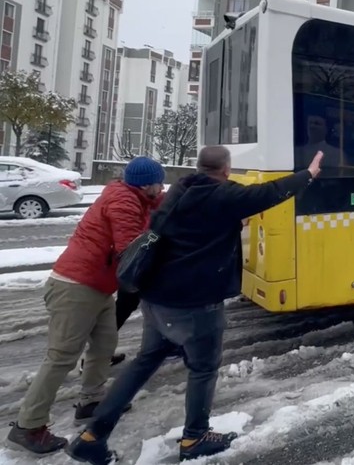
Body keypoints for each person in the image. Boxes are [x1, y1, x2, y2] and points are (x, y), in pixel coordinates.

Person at [66, 146, 323, 464]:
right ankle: (195, 437)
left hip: (157, 297)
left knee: (144, 362)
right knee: (203, 369)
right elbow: (269, 193)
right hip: (194, 302)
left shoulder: (181, 190)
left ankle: (93, 436)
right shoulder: (223, 195)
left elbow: (198, 224)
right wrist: (308, 174)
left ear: (199, 167)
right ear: (226, 170)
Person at [6, 157, 166, 456]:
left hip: (98, 287)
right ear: (147, 184)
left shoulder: (136, 198)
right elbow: (132, 249)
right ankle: (27, 426)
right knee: (62, 357)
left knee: (104, 345)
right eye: (160, 182)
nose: (161, 187)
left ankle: (91, 401)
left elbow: (162, 205)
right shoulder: (123, 203)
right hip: (75, 286)